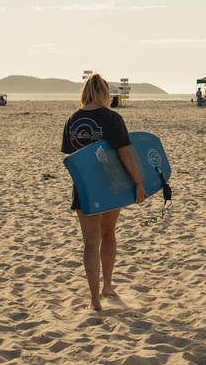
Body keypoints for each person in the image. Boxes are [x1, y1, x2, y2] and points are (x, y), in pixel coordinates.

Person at [62, 73, 147, 311]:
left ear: (84, 91)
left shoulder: (72, 119)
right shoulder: (112, 117)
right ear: (105, 92)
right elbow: (124, 153)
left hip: (83, 186)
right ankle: (107, 285)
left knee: (90, 242)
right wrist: (138, 183)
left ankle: (94, 300)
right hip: (110, 184)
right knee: (108, 234)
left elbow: (71, 157)